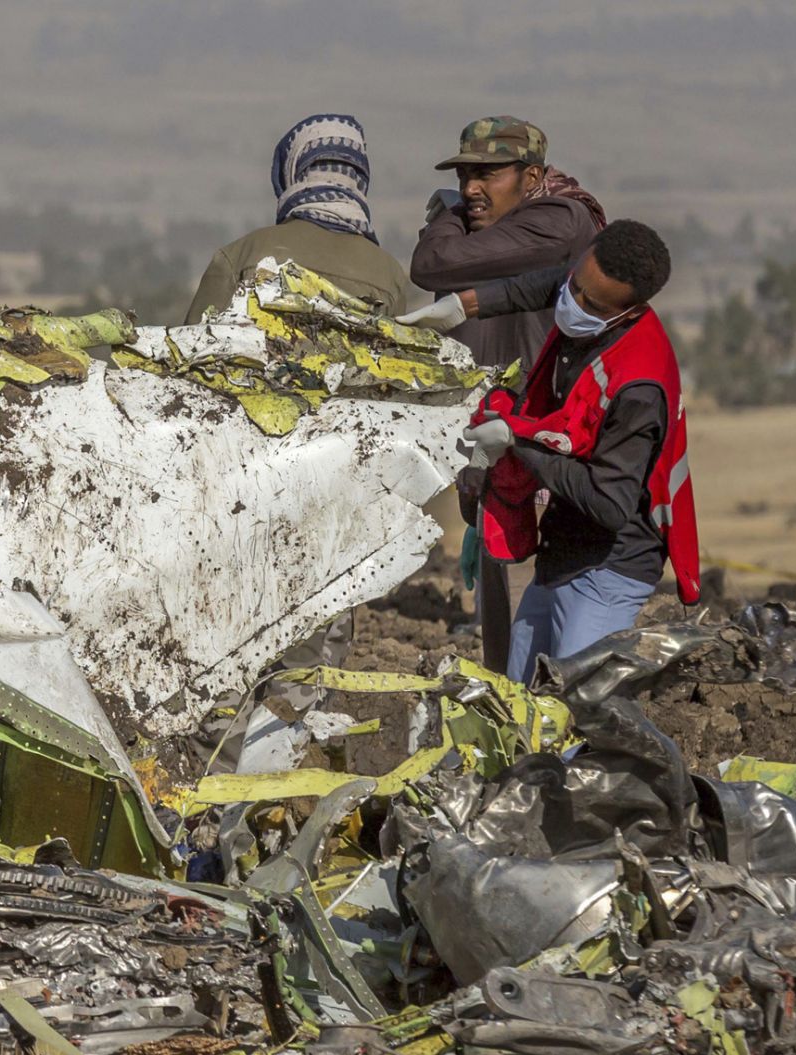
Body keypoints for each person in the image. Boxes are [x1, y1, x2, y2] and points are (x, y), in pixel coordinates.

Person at [400, 220, 698, 683]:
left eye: (590, 304)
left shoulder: (638, 387)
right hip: (562, 548)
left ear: (627, 311)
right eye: (575, 285)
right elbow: (545, 285)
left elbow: (609, 501)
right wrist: (462, 306)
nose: (571, 304)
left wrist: (518, 442)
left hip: (609, 567)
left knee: (576, 709)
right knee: (521, 692)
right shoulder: (588, 290)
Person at [402, 115, 605, 675]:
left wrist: (442, 218)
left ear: (532, 175)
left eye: (487, 174)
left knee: (542, 650)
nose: (471, 188)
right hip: (496, 466)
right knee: (505, 653)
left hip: (546, 472)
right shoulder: (487, 237)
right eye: (465, 175)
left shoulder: (562, 220)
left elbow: (431, 264)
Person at [183, 114, 410, 322]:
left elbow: (189, 349)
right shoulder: (390, 275)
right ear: (360, 176)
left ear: (290, 171)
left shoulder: (243, 254)